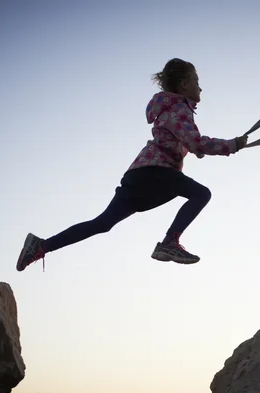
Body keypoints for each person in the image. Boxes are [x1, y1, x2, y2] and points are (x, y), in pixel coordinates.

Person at [15, 58, 248, 272]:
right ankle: (169, 242)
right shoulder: (180, 108)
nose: (200, 87)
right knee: (201, 194)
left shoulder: (169, 109)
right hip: (155, 172)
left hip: (140, 175)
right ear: (184, 84)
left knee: (103, 223)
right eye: (197, 81)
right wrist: (232, 145)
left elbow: (188, 143)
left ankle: (40, 246)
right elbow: (196, 142)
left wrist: (194, 149)